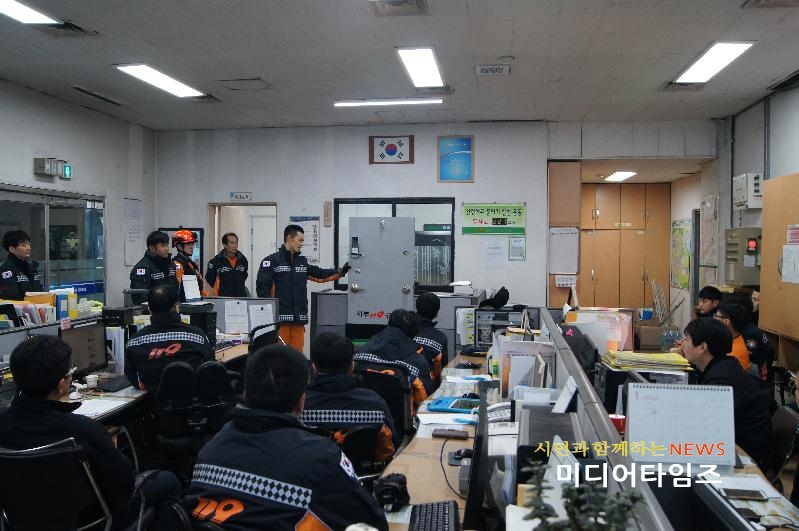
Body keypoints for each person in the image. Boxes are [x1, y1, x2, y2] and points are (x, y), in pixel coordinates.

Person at [187, 344, 388, 531]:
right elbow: (372, 523)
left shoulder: (209, 449)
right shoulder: (322, 458)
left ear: (245, 394)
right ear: (301, 402)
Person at [0, 336, 180, 528]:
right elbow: (125, 486)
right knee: (168, 481)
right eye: (70, 372)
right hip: (89, 520)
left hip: (25, 518)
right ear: (61, 384)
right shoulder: (84, 430)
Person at [681, 318, 771, 470]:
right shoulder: (723, 366)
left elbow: (707, 425)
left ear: (702, 347)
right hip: (737, 445)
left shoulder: (720, 379)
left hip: (747, 456)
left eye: (687, 339)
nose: (683, 344)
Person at [301, 332, 397, 461]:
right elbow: (391, 447)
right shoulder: (375, 403)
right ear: (352, 366)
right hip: (362, 472)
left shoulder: (299, 404)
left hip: (309, 471)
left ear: (314, 367)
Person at [256, 224, 349, 351]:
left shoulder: (302, 262)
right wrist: (268, 317)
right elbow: (262, 291)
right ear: (289, 238)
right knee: (279, 357)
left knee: (297, 357)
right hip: (279, 323)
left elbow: (320, 274)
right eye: (300, 240)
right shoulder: (271, 261)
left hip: (299, 321)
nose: (301, 244)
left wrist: (340, 272)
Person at [124, 285, 214, 392]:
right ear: (176, 307)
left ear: (149, 309)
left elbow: (135, 381)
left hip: (154, 401)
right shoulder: (198, 336)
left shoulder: (134, 342)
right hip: (193, 400)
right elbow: (210, 369)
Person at [354, 309, 434, 407]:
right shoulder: (418, 363)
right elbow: (425, 400)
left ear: (388, 325)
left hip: (362, 411)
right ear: (414, 334)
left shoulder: (359, 353)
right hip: (401, 415)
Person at [129, 230, 178, 305]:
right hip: (153, 308)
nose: (167, 249)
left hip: (170, 306)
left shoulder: (170, 264)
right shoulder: (143, 268)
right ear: (152, 248)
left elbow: (175, 287)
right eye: (163, 246)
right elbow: (141, 297)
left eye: (167, 245)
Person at [414, 292, 448, 386]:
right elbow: (442, 370)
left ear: (417, 308)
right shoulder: (440, 338)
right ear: (436, 313)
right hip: (427, 387)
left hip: (404, 384)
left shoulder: (405, 330)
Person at [0, 230, 43, 300]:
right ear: (12, 249)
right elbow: (11, 296)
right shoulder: (7, 269)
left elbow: (40, 290)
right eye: (23, 245)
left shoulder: (31, 268)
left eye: (29, 244)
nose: (29, 248)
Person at [205, 232, 248, 297]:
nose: (234, 245)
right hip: (222, 298)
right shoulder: (215, 261)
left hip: (240, 297)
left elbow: (244, 276)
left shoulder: (243, 260)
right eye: (232, 243)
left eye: (236, 243)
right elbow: (210, 279)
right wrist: (222, 288)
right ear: (225, 245)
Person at [714, 302, 751, 372]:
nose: (714, 319)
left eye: (716, 316)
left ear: (726, 321)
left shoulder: (734, 355)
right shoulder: (732, 338)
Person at [172, 229, 208, 301]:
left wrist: (206, 298)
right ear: (179, 246)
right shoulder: (176, 264)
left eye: (192, 243)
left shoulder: (193, 264)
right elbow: (179, 287)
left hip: (196, 300)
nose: (192, 247)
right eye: (188, 244)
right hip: (185, 302)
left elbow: (200, 282)